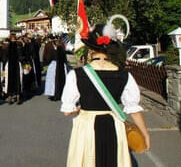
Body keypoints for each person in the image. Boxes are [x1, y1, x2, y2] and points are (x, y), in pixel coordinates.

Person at [61, 24, 150, 167]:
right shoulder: (124, 75)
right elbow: (133, 109)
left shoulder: (76, 75)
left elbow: (67, 111)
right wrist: (144, 134)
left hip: (87, 127)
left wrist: (78, 109)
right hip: (114, 125)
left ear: (91, 50)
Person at [5, 34, 24, 105]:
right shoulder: (18, 45)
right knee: (17, 80)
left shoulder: (8, 46)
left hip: (11, 65)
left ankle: (11, 97)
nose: (13, 40)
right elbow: (21, 56)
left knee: (11, 80)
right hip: (16, 64)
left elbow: (5, 56)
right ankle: (17, 96)